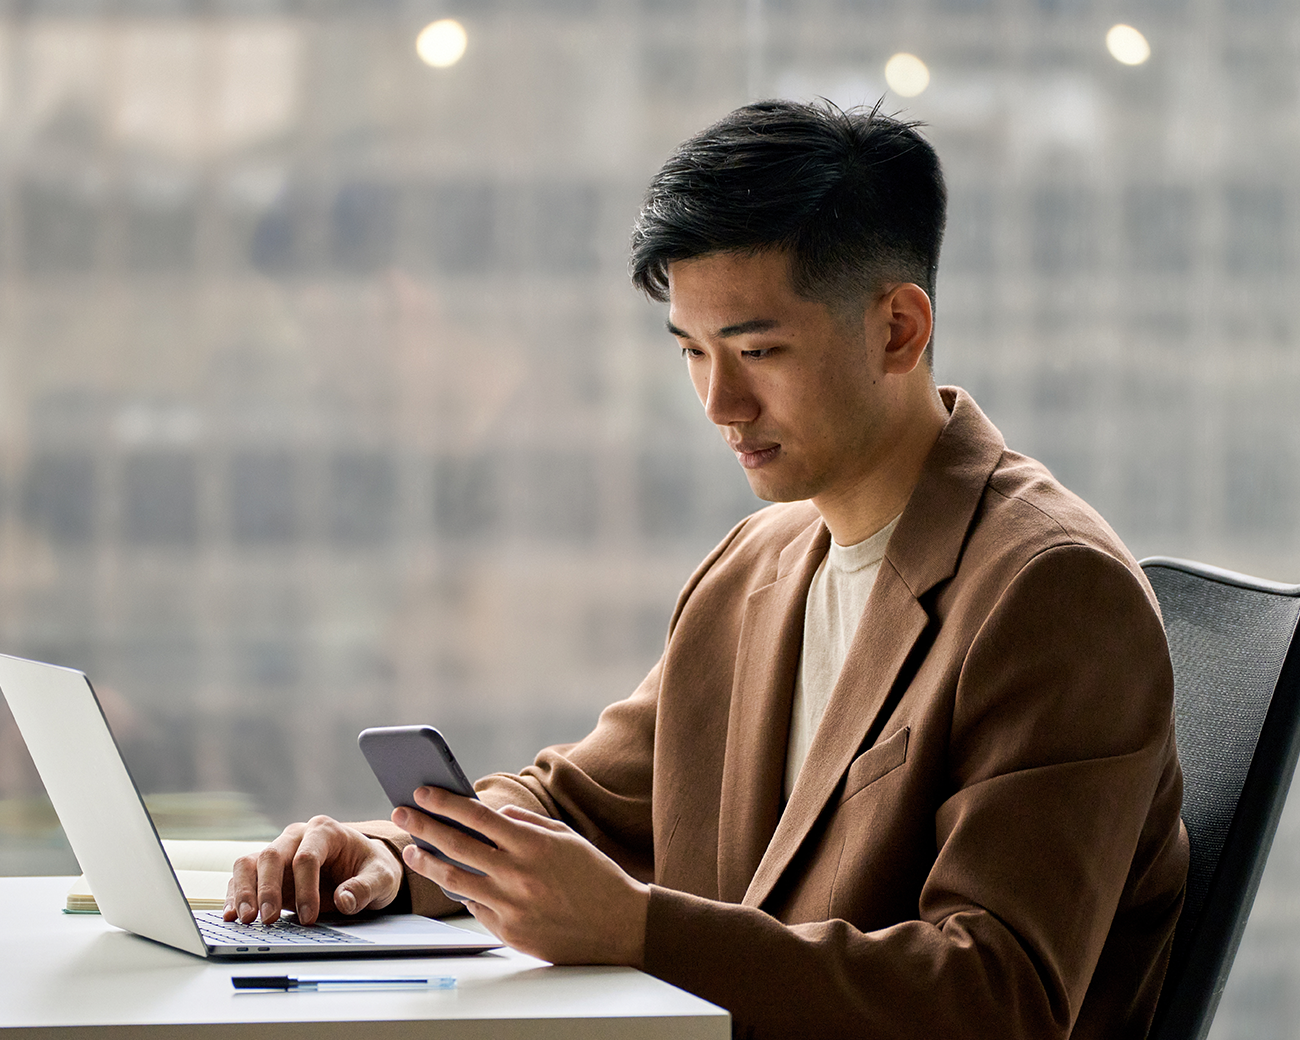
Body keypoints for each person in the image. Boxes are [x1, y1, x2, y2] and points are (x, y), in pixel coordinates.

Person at [226, 100, 1188, 1040]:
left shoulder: (1054, 591)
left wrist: (638, 930)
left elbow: (997, 997)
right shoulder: (756, 564)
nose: (721, 403)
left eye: (758, 350)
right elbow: (575, 804)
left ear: (898, 328)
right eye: (692, 351)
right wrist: (395, 860)